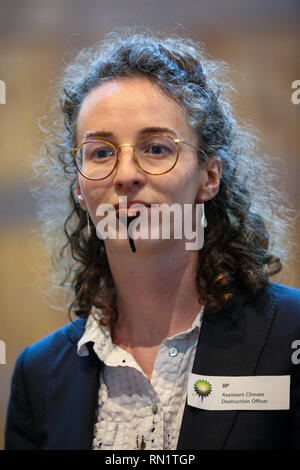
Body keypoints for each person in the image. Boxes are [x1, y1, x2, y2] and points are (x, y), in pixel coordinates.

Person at [5, 28, 300, 450]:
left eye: (156, 148)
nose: (125, 175)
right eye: (101, 152)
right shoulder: (38, 374)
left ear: (209, 177)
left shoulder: (291, 335)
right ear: (79, 190)